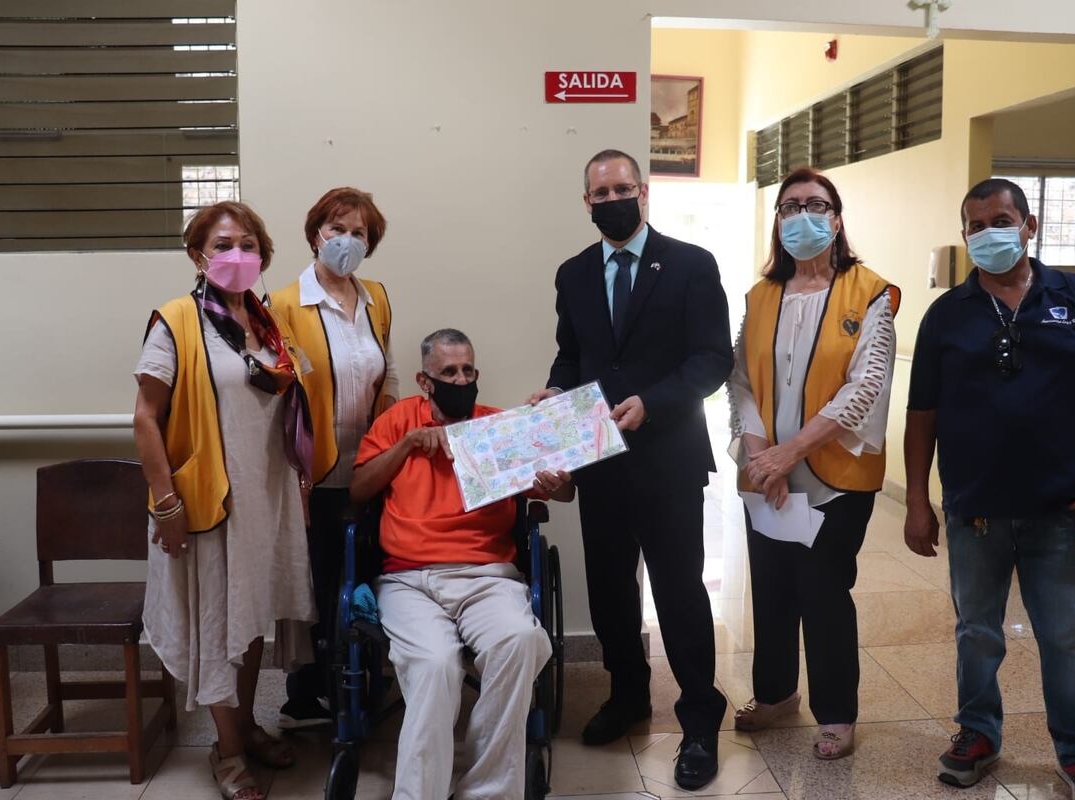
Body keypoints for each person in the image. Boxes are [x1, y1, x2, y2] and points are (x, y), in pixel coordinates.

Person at [904, 178, 1075, 799]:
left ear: (1030, 226)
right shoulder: (946, 315)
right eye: (976, 226)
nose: (989, 234)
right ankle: (978, 732)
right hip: (975, 510)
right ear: (964, 235)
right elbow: (922, 414)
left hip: (1065, 511)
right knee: (977, 631)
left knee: (1070, 635)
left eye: (1001, 221)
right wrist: (917, 501)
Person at [529, 148, 732, 790]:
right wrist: (555, 392)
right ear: (586, 202)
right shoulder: (573, 273)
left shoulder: (692, 264)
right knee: (611, 590)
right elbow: (572, 355)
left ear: (642, 193)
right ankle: (627, 694)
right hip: (600, 460)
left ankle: (699, 719)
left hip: (670, 459)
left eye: (623, 189)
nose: (613, 200)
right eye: (601, 192)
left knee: (679, 591)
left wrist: (654, 403)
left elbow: (712, 359)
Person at [133, 201, 317, 800]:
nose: (237, 255)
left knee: (250, 617)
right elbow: (146, 418)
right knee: (218, 627)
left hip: (266, 500)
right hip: (208, 502)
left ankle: (245, 726)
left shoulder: (269, 326)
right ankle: (229, 752)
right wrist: (166, 504)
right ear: (198, 255)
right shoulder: (177, 321)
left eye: (248, 245)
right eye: (223, 244)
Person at [350, 329, 573, 800]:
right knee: (434, 664)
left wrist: (558, 483)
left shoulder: (496, 428)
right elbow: (359, 490)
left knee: (520, 640)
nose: (461, 379)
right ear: (424, 381)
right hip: (408, 578)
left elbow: (564, 490)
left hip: (487, 575)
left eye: (468, 370)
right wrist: (408, 445)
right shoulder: (398, 421)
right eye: (449, 372)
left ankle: (486, 791)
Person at [727, 166, 899, 760]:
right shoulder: (761, 296)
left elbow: (866, 385)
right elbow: (740, 378)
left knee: (824, 591)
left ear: (837, 218)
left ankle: (836, 713)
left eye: (816, 205)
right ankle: (776, 695)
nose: (803, 216)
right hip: (764, 472)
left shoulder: (870, 293)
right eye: (791, 206)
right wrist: (761, 457)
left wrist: (789, 453)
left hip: (835, 478)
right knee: (771, 586)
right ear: (778, 222)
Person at [269, 187, 398, 730]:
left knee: (365, 577)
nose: (347, 240)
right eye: (337, 229)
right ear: (315, 234)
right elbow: (278, 399)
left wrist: (388, 445)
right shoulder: (282, 305)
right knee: (317, 584)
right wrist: (292, 475)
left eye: (359, 233)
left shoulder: (377, 298)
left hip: (368, 469)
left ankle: (363, 684)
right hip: (310, 474)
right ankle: (310, 694)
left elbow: (388, 375)